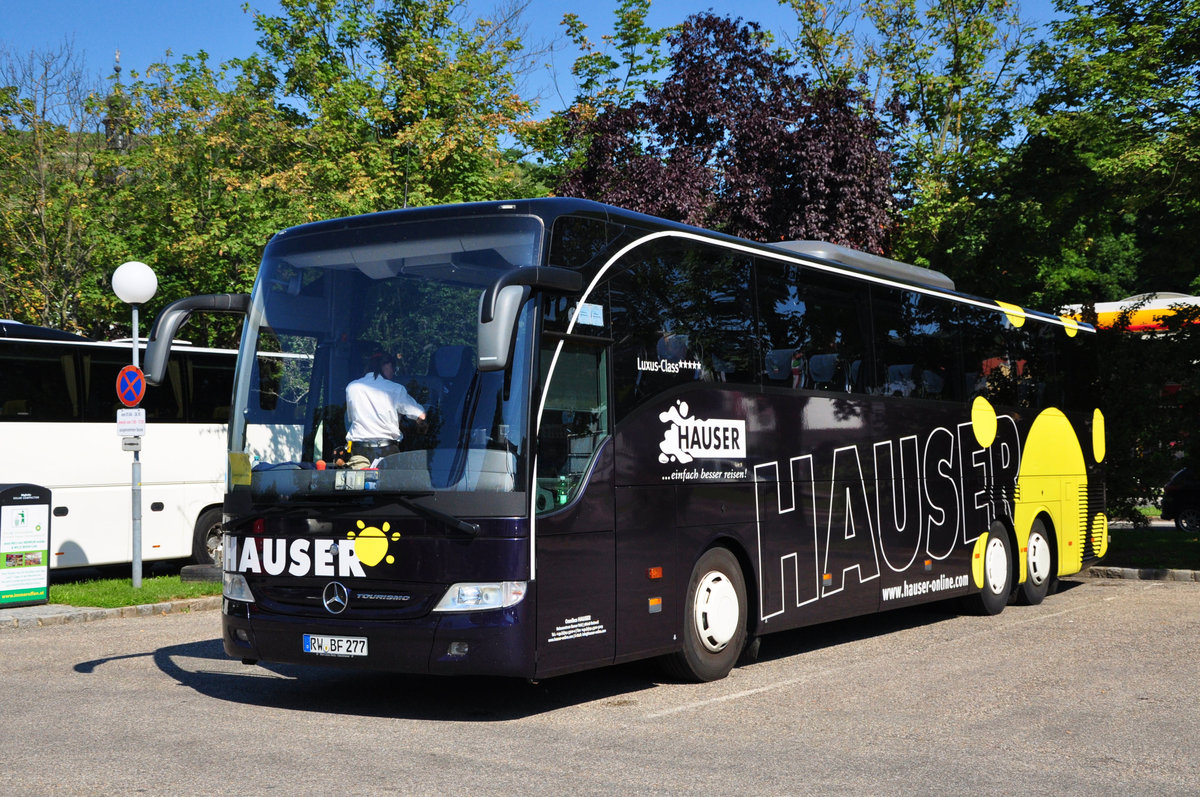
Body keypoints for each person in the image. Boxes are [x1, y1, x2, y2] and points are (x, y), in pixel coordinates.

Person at [345, 351, 426, 463]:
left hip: (359, 451)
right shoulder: (395, 389)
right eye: (394, 368)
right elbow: (421, 415)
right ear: (387, 365)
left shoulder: (352, 387)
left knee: (358, 479)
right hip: (387, 451)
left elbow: (351, 418)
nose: (393, 373)